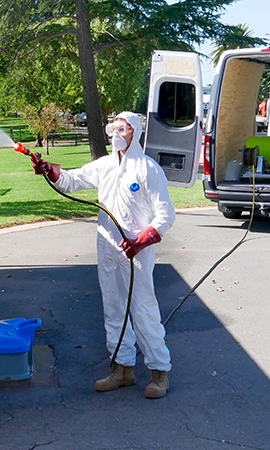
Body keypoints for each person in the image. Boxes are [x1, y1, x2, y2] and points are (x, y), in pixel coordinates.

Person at [33, 111, 176, 399]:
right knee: (113, 307)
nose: (116, 135)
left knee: (143, 309)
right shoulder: (105, 166)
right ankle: (122, 368)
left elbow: (165, 214)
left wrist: (141, 241)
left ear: (135, 133)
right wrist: (50, 170)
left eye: (123, 129)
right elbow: (72, 180)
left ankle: (159, 372)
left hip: (136, 253)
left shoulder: (148, 169)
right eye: (113, 129)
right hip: (108, 248)